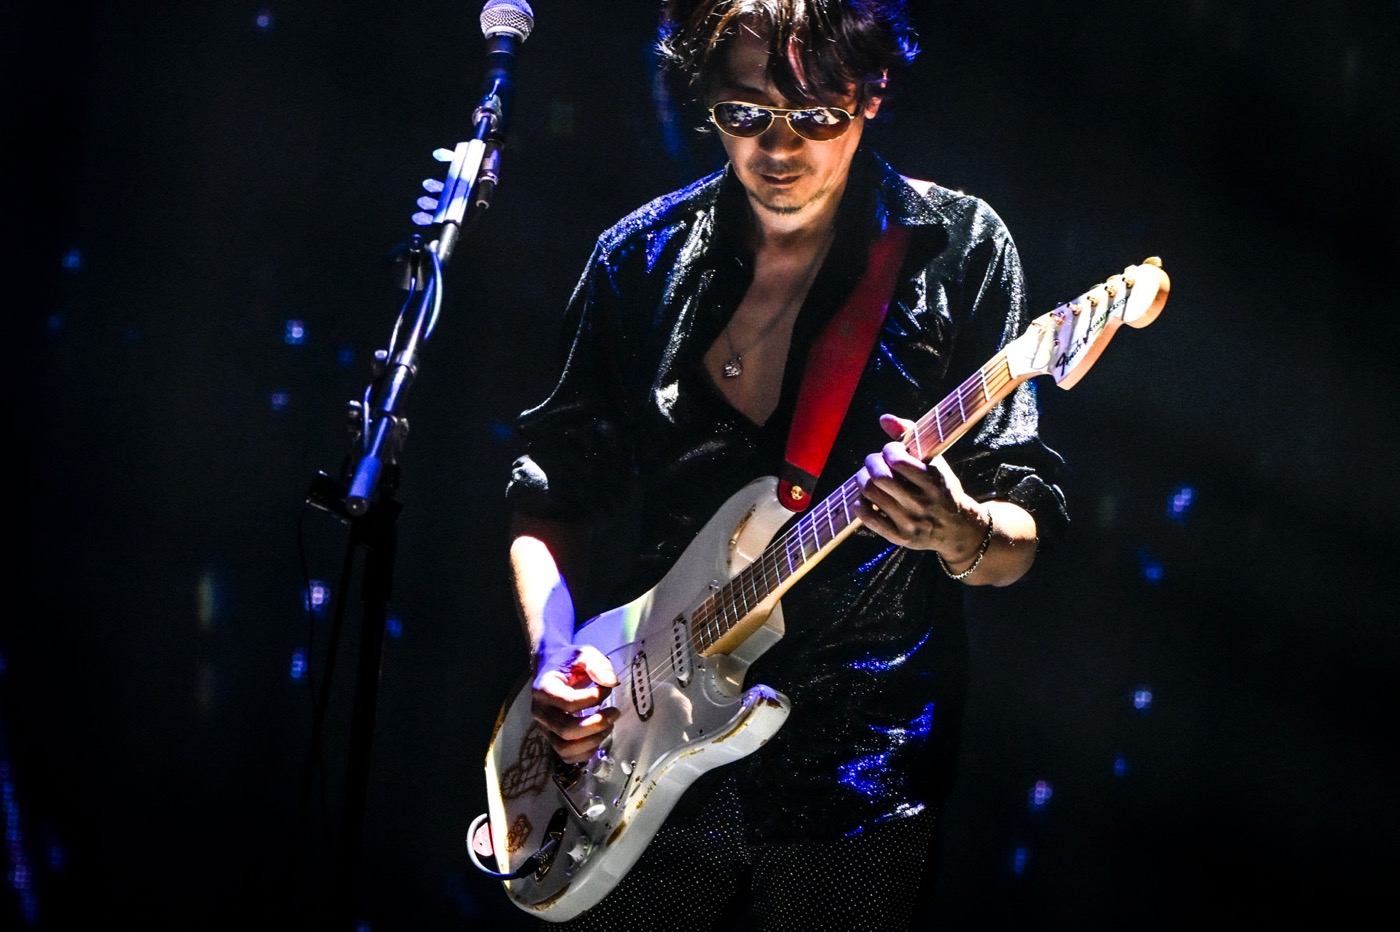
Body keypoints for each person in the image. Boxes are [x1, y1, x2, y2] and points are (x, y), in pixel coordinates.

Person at [500, 2, 1068, 929]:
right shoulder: (638, 259)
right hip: (638, 758)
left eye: (816, 115)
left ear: (872, 93)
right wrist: (555, 655)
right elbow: (551, 492)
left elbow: (1022, 527)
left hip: (856, 778)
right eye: (745, 114)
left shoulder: (955, 250)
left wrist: (961, 530)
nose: (779, 147)